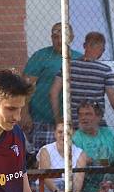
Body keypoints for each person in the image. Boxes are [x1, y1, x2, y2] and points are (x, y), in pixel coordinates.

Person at [23, 22, 83, 151]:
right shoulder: (41, 56)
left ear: (71, 37)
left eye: (63, 36)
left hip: (71, 122)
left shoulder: (79, 58)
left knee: (72, 159)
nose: (59, 40)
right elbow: (25, 87)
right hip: (42, 120)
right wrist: (25, 114)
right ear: (51, 38)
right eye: (55, 36)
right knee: (44, 160)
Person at [50, 31, 114, 125]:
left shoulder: (68, 66)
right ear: (102, 50)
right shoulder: (105, 70)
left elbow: (53, 93)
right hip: (95, 125)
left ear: (84, 46)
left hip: (73, 124)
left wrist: (57, 119)